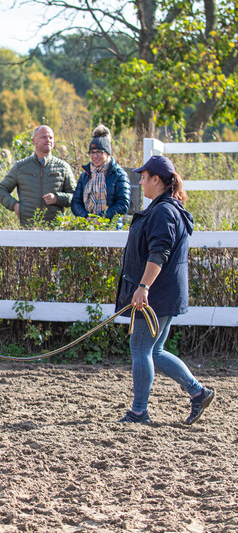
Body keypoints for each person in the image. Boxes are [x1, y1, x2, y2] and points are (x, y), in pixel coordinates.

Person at [115, 155, 214, 425]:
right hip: (166, 291)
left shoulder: (162, 211)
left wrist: (143, 286)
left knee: (140, 349)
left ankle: (138, 411)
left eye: (144, 177)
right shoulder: (169, 208)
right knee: (154, 351)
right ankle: (198, 392)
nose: (141, 181)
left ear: (157, 180)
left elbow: (159, 252)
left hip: (156, 292)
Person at [0, 125, 76, 226]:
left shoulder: (63, 167)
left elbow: (74, 196)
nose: (48, 140)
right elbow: (1, 190)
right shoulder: (21, 167)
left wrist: (57, 198)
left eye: (51, 137)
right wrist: (15, 206)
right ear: (34, 141)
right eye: (44, 137)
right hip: (28, 227)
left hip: (55, 229)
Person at [71, 125, 131, 220]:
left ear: (107, 153)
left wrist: (101, 218)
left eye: (99, 152)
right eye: (92, 152)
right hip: (87, 225)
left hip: (111, 227)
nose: (95, 156)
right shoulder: (85, 176)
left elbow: (123, 204)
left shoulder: (119, 175)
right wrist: (86, 217)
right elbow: (75, 203)